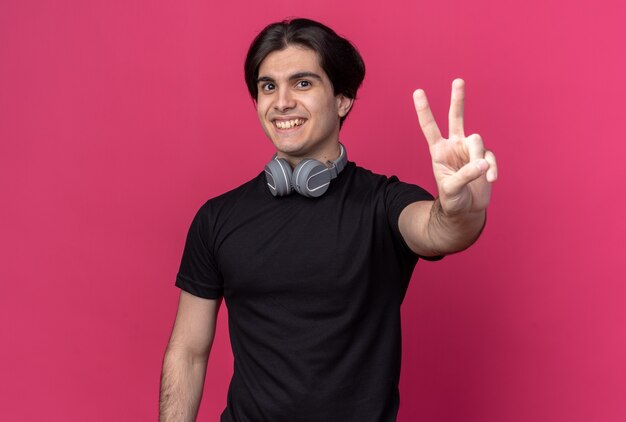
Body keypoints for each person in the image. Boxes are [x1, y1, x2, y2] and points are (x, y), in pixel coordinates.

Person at [159, 18, 497, 422]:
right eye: (268, 86)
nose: (281, 101)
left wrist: (463, 209)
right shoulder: (217, 218)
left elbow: (438, 229)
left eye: (302, 83)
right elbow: (188, 352)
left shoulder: (382, 202)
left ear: (342, 99)